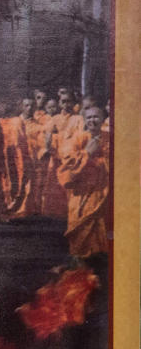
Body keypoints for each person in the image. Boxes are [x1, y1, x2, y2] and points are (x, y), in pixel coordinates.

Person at [56, 106, 110, 257]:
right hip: (82, 193)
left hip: (103, 192)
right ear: (85, 120)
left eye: (96, 117)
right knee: (81, 232)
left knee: (102, 231)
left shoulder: (110, 137)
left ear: (102, 119)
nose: (92, 121)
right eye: (89, 117)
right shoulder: (77, 138)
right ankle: (81, 266)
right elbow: (69, 165)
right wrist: (86, 153)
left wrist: (101, 162)